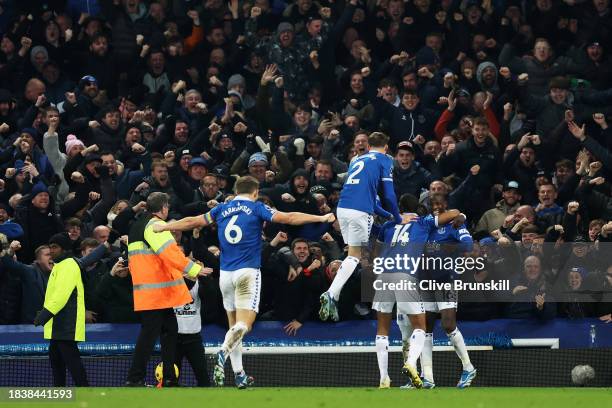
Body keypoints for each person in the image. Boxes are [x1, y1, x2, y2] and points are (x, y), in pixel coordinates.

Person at [154, 176, 335, 388]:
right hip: (247, 272)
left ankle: (239, 374)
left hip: (226, 275)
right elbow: (290, 217)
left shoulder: (221, 209)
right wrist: (320, 218)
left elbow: (192, 221)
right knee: (245, 324)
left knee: (234, 327)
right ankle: (222, 352)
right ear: (255, 192)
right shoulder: (257, 208)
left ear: (236, 190)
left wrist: (165, 227)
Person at [373, 193, 460, 389]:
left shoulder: (388, 225)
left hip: (384, 274)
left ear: (399, 208)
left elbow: (376, 252)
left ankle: (384, 378)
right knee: (420, 326)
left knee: (382, 329)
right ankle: (411, 363)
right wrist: (459, 215)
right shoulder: (423, 222)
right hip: (405, 275)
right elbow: (453, 213)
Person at [125, 192, 212, 387]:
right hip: (156, 293)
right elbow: (171, 254)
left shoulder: (136, 226)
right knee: (149, 335)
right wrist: (195, 269)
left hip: (151, 292)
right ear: (164, 208)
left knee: (170, 331)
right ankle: (135, 377)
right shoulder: (156, 227)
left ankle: (170, 378)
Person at [319, 132, 406, 322]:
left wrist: (390, 216)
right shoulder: (385, 160)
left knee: (352, 254)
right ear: (386, 146)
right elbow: (389, 196)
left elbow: (374, 202)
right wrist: (399, 218)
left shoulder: (358, 160)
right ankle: (331, 293)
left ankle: (334, 295)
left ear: (368, 145)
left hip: (342, 209)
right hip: (360, 212)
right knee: (354, 256)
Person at [33, 233, 107, 387]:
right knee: (57, 363)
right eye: (50, 246)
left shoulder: (68, 265)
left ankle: (86, 395)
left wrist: (44, 315)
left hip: (66, 324)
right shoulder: (61, 265)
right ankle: (60, 396)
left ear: (64, 248)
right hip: (59, 324)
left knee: (73, 365)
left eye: (55, 247)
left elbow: (61, 296)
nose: (51, 250)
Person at [418, 194, 477, 389]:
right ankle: (428, 377)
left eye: (439, 204)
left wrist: (448, 247)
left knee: (447, 324)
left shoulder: (455, 224)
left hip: (447, 280)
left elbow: (468, 245)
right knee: (425, 327)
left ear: (446, 206)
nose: (436, 207)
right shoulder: (425, 226)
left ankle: (468, 367)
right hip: (426, 280)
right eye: (432, 204)